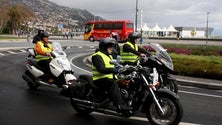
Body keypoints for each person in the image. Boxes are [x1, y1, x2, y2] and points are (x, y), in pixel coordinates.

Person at [91, 37, 130, 112]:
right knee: (112, 83)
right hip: (99, 79)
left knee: (125, 81)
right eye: (110, 47)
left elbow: (118, 64)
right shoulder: (97, 56)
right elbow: (101, 69)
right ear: (104, 47)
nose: (111, 49)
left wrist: (128, 67)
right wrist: (115, 70)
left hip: (110, 78)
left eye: (112, 47)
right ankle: (119, 105)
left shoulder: (109, 56)